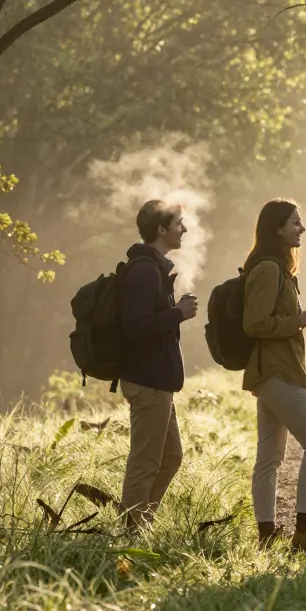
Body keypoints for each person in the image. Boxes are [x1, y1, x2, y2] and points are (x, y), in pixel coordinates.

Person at [243, 199, 306, 558]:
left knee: (269, 457)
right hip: (276, 372)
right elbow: (253, 323)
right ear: (277, 229)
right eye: (295, 223)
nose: (302, 228)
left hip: (275, 372)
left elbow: (267, 319)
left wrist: (299, 317)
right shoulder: (269, 269)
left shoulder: (280, 270)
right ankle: (304, 529)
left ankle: (267, 534)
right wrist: (299, 321)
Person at [120, 200, 197, 529]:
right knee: (146, 461)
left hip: (158, 383)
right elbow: (133, 326)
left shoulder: (155, 268)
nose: (184, 229)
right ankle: (128, 534)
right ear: (162, 229)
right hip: (147, 381)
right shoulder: (143, 271)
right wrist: (176, 314)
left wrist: (174, 313)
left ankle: (139, 522)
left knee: (170, 457)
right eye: (179, 223)